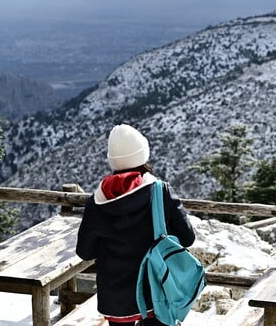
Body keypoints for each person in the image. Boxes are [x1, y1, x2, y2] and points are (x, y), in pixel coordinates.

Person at [76, 124, 196, 326]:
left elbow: (85, 252)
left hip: (115, 299)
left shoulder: (96, 203)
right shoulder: (161, 192)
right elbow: (188, 238)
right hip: (156, 290)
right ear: (143, 155)